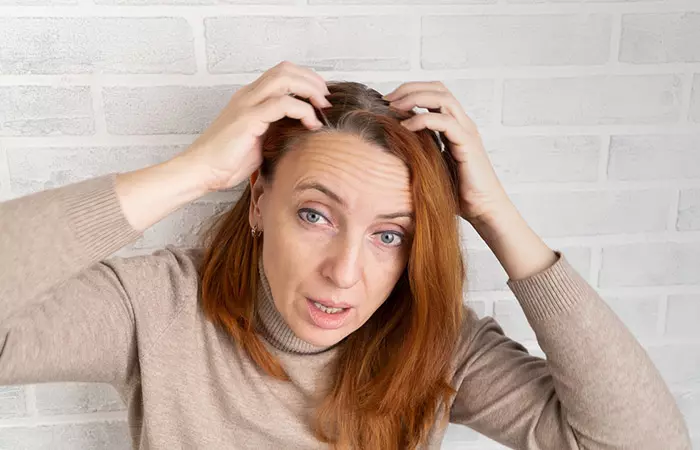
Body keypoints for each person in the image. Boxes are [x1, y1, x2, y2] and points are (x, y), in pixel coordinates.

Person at [0, 60, 691, 450]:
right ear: (258, 203)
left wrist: (493, 213)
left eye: (390, 234)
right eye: (314, 215)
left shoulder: (439, 344)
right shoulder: (157, 309)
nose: (345, 272)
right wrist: (192, 172)